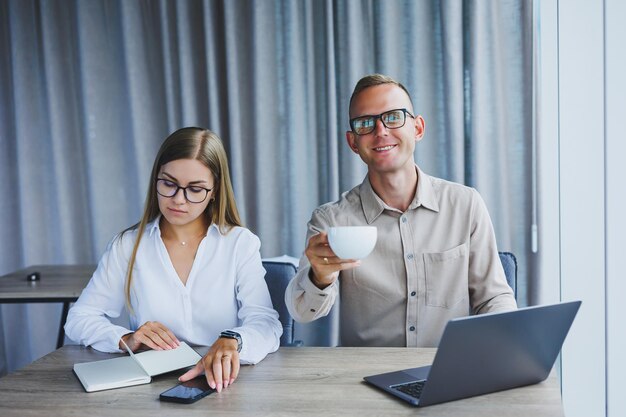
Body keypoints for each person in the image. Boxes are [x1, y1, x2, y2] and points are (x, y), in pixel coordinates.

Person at [285, 74, 517, 347]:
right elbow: (301, 312)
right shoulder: (331, 220)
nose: (380, 131)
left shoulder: (465, 205)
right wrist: (320, 276)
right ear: (353, 142)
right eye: (365, 123)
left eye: (393, 117)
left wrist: (504, 349)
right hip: (364, 380)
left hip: (449, 372)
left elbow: (493, 299)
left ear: (417, 128)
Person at [65, 127, 282, 392]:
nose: (178, 199)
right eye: (168, 184)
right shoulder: (128, 245)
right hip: (151, 387)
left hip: (225, 384)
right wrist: (125, 338)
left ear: (214, 191)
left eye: (195, 189)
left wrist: (233, 339)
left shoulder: (239, 243)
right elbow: (79, 318)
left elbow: (267, 325)